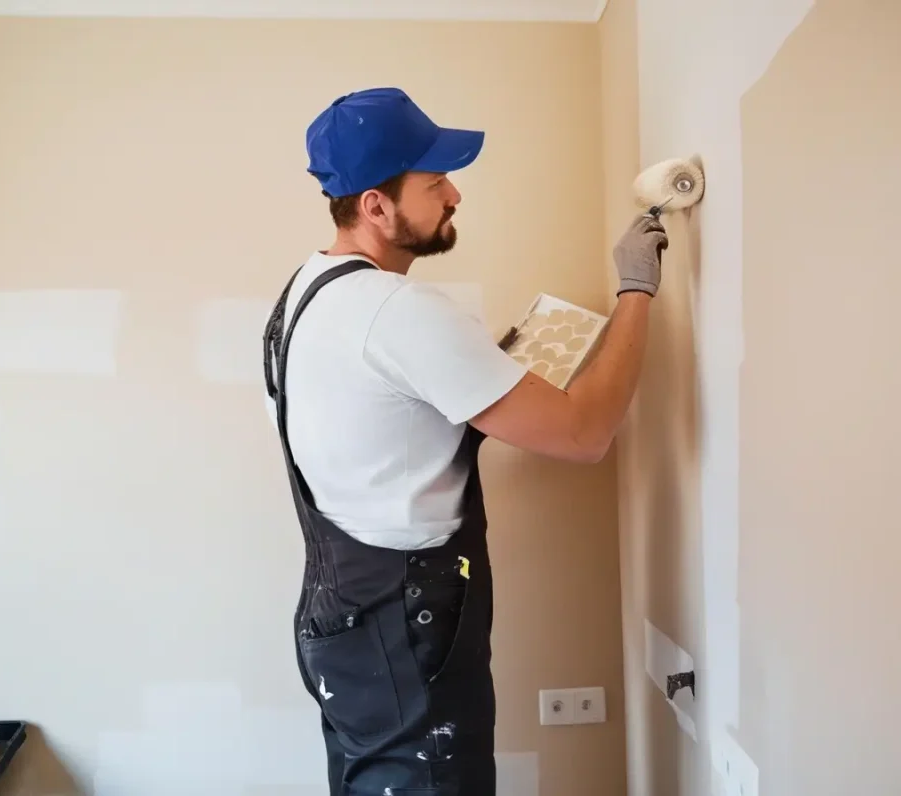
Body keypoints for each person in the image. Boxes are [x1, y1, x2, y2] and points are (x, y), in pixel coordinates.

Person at [262, 87, 667, 796]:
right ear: (375, 206)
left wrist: (491, 376)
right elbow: (585, 434)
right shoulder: (399, 312)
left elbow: (386, 424)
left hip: (341, 619)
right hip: (405, 629)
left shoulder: (302, 296)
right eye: (434, 182)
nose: (455, 196)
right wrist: (636, 291)